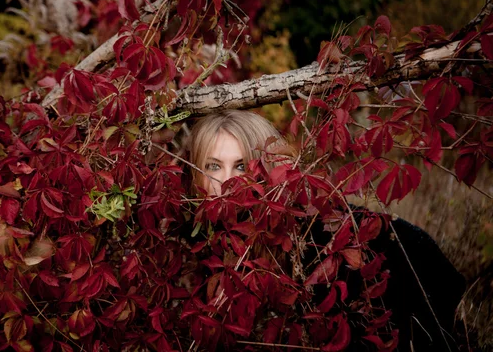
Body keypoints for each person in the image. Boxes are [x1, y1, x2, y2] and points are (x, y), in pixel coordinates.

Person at [185, 109, 466, 351]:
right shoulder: (190, 244)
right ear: (195, 172)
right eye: (212, 166)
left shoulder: (314, 234)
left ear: (268, 170)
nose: (226, 183)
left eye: (241, 166)